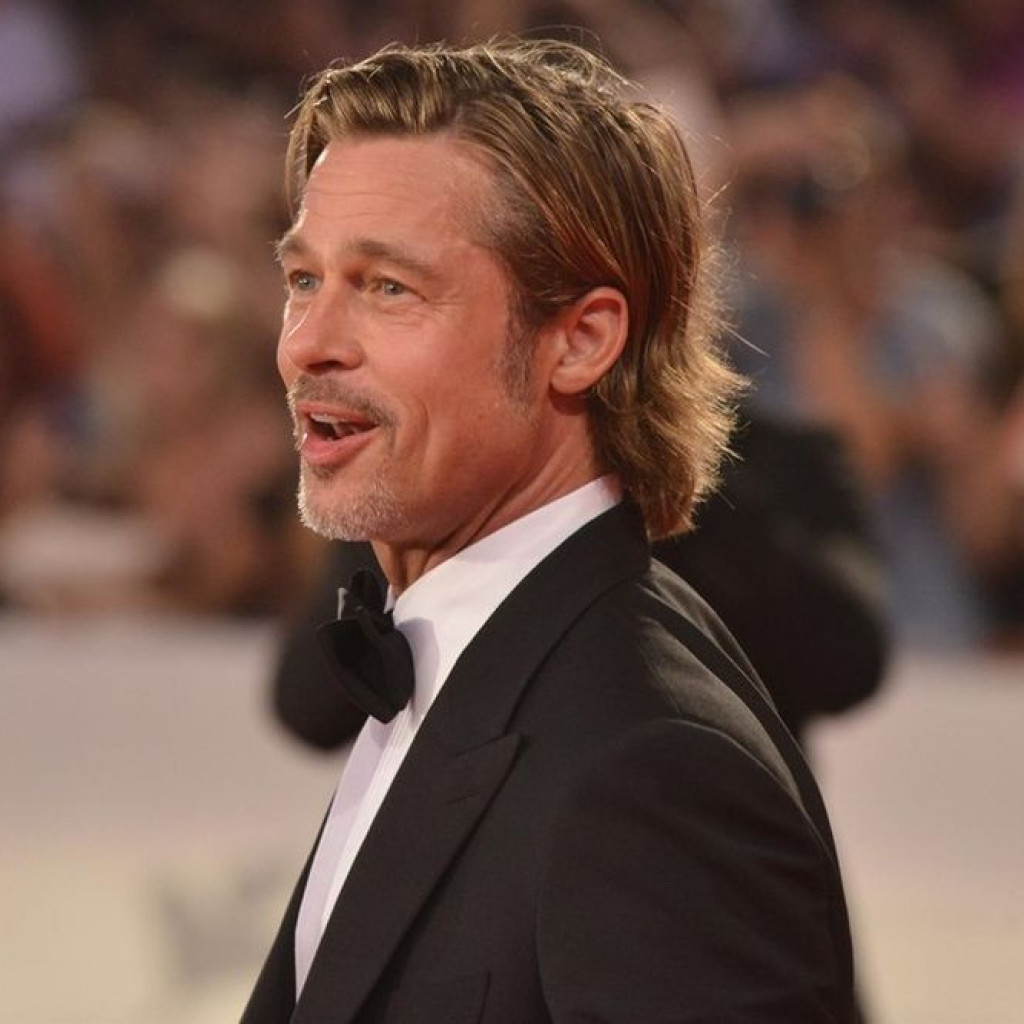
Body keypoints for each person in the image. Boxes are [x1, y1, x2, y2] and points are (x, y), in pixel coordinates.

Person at [243, 39, 856, 1023]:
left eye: (388, 287)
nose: (308, 344)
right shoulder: (466, 665)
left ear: (581, 340)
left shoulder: (654, 768)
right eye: (305, 280)